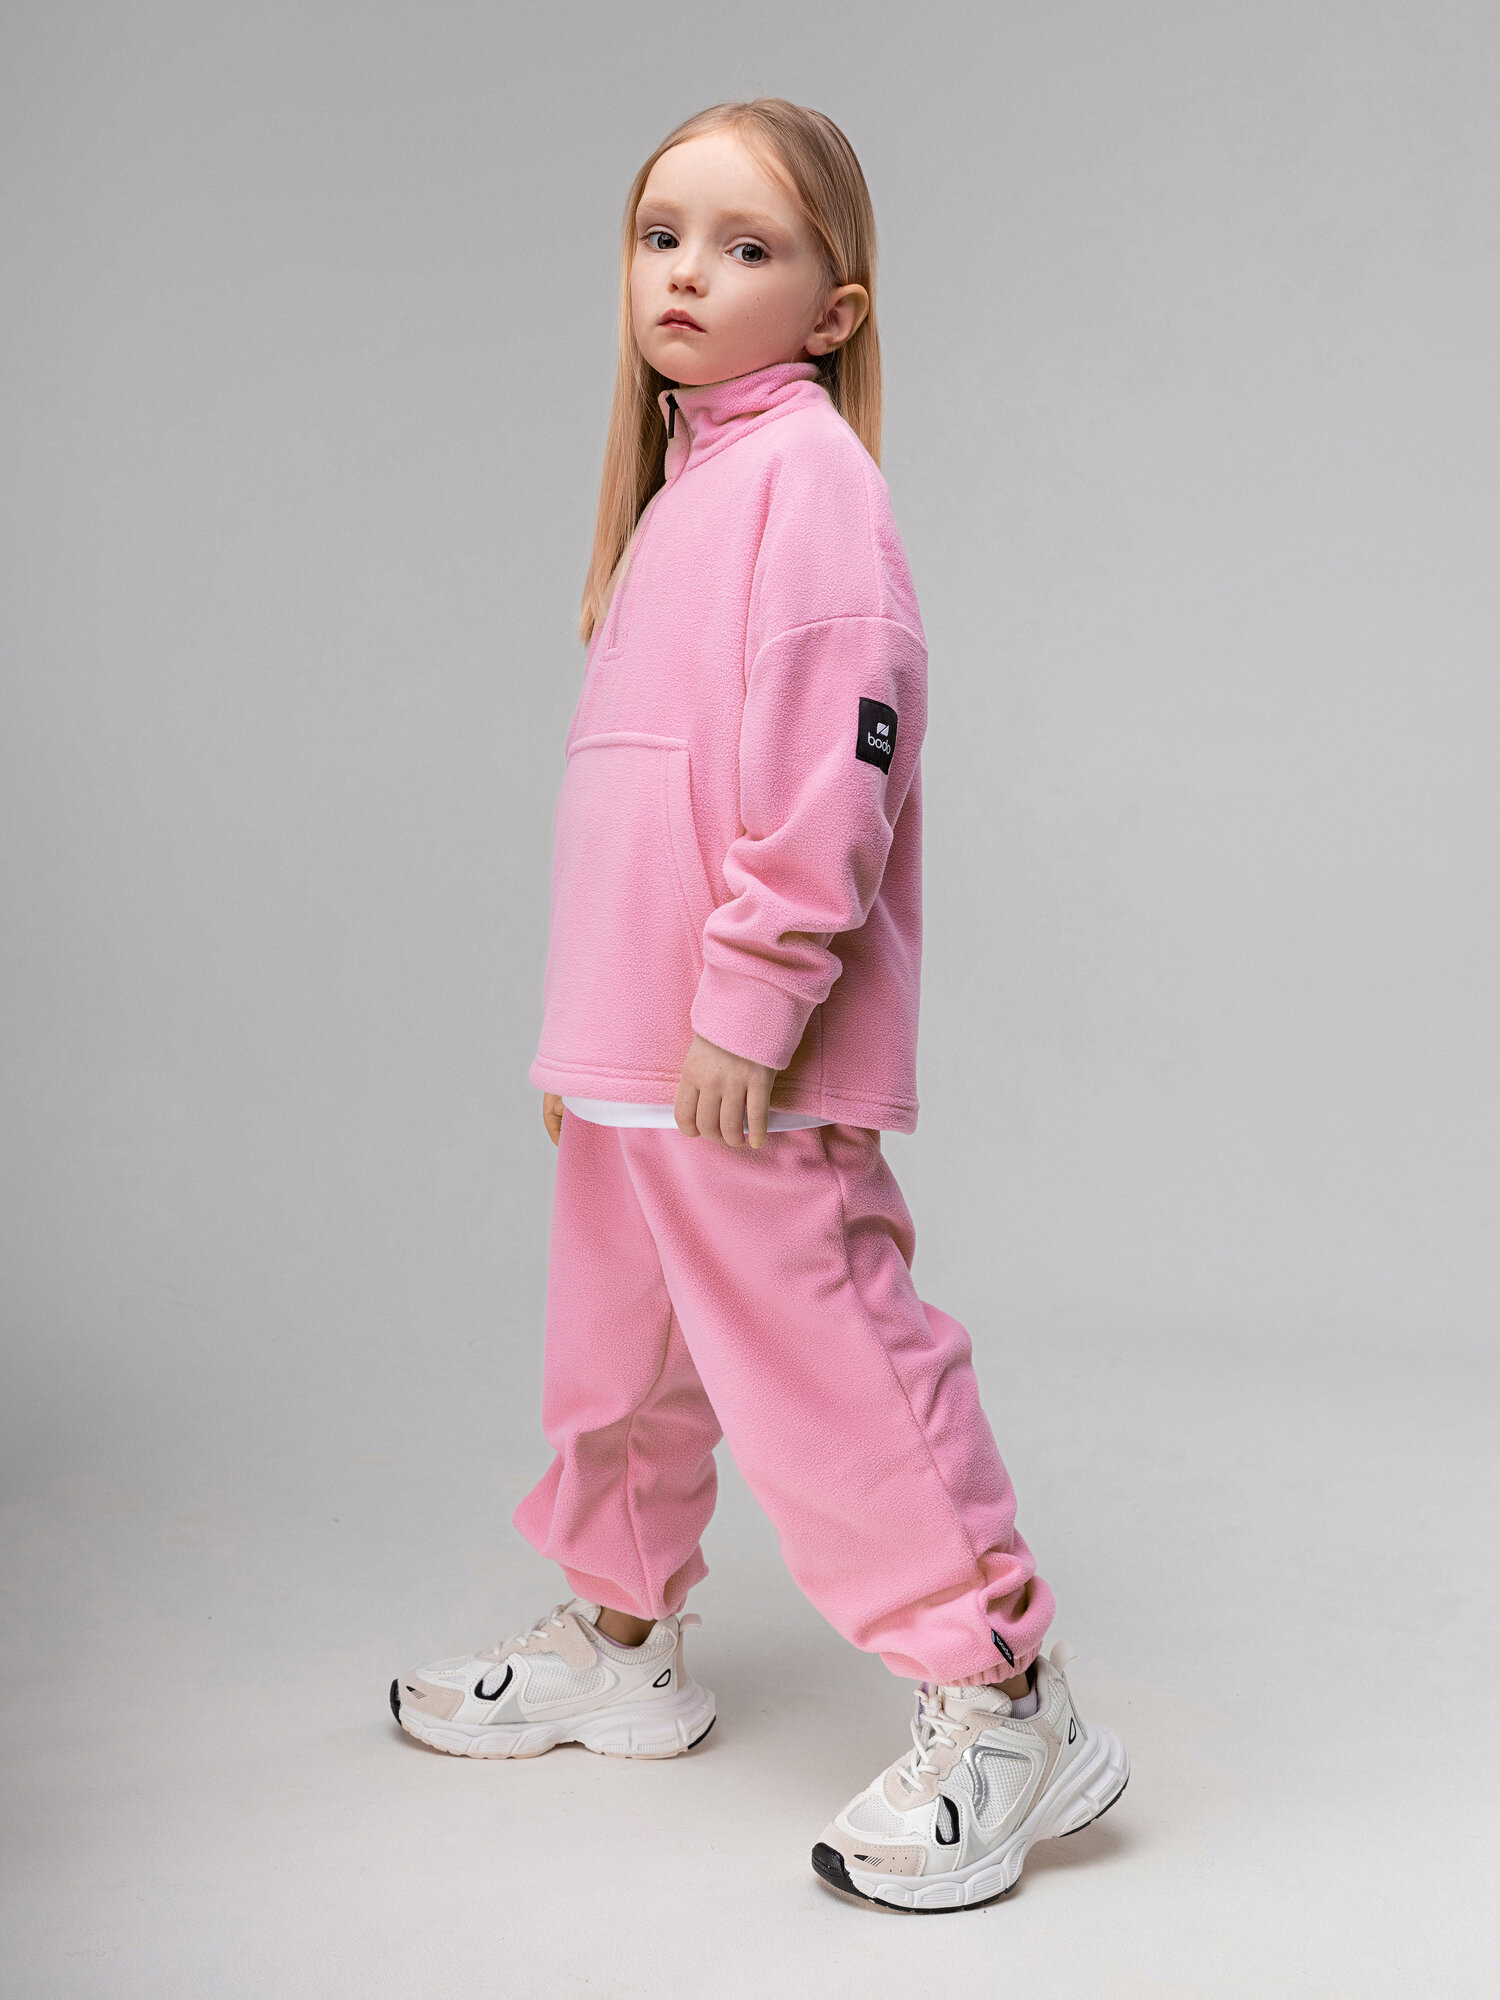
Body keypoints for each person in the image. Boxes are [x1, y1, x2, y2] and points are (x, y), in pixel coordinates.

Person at [390, 96, 1128, 1913]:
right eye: (663, 237)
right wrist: (589, 1036)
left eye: (747, 247)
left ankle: (1006, 1697)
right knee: (617, 1367)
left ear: (833, 307)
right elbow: (639, 794)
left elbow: (831, 773)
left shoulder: (813, 484)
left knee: (833, 1370)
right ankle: (624, 1643)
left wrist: (750, 1001)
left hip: (746, 1053)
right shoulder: (680, 493)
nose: (689, 275)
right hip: (637, 1048)